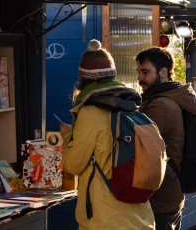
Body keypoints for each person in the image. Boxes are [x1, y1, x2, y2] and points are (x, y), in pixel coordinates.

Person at [60, 39, 155, 229]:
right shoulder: (131, 106)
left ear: (84, 79)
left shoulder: (89, 113)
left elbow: (73, 164)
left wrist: (67, 137)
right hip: (140, 214)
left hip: (104, 219)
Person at [136, 47, 196, 230]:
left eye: (145, 72)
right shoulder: (165, 98)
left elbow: (137, 142)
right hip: (166, 192)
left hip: (161, 195)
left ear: (163, 72)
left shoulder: (162, 105)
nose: (140, 78)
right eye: (139, 72)